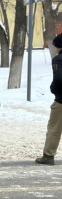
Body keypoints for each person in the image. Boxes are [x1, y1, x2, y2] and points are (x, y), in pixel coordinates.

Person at [35, 34, 62, 165]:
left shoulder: (58, 59)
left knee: (54, 129)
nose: (55, 49)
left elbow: (58, 79)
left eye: (56, 46)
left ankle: (48, 156)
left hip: (61, 101)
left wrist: (54, 90)